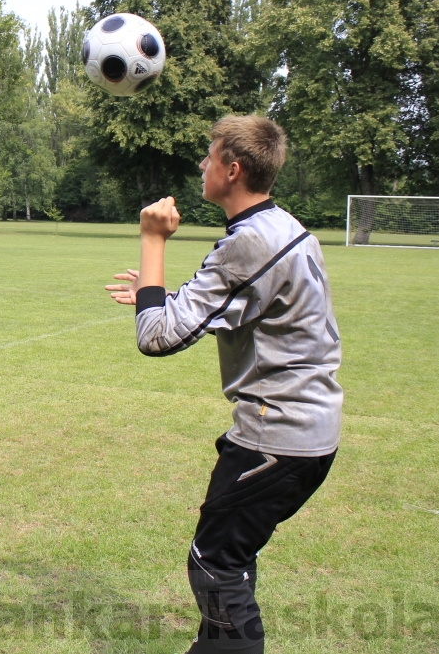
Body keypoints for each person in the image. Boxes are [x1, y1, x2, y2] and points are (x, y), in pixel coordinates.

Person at [107, 115, 342, 653]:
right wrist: (156, 294)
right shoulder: (285, 227)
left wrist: (151, 240)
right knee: (229, 559)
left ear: (232, 170)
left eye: (209, 156)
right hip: (303, 430)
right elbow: (222, 308)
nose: (201, 164)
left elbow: (157, 337)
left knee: (214, 565)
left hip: (277, 436)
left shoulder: (250, 243)